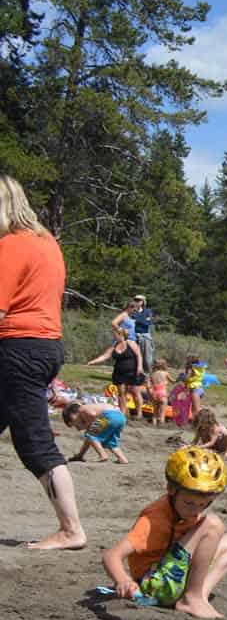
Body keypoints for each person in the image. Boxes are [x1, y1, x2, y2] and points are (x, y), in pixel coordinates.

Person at [0, 176, 86, 550]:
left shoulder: (12, 246)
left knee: (35, 443)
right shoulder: (47, 242)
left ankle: (71, 530)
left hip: (19, 348)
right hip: (46, 346)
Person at [100, 447, 227, 619]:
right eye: (189, 503)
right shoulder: (154, 519)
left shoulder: (188, 511)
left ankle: (199, 596)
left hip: (174, 577)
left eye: (203, 505)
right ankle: (192, 599)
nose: (195, 510)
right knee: (213, 524)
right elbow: (111, 555)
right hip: (154, 586)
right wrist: (123, 580)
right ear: (171, 489)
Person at [87, 325, 145, 419]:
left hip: (133, 372)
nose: (114, 336)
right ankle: (123, 413)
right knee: (121, 393)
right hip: (119, 373)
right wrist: (93, 362)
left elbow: (139, 355)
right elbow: (105, 356)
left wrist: (140, 367)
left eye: (115, 335)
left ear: (121, 335)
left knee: (135, 392)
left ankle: (139, 413)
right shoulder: (114, 347)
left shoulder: (131, 343)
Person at [62, 401, 130, 465]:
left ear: (72, 415)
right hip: (120, 417)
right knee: (110, 441)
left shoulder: (82, 409)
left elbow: (92, 414)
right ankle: (122, 458)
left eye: (75, 424)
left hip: (108, 416)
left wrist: (87, 425)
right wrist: (80, 454)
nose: (77, 428)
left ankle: (103, 455)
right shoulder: (85, 409)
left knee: (91, 434)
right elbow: (89, 440)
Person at [130, 295, 155, 373]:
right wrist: (143, 319)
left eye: (139, 300)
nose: (137, 301)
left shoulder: (148, 311)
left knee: (147, 358)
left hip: (145, 336)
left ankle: (147, 375)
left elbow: (148, 323)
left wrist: (136, 320)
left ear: (143, 302)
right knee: (133, 357)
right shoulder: (132, 311)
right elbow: (130, 321)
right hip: (133, 336)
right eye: (135, 300)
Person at [146, 358, 172, 426]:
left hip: (155, 393)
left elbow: (148, 386)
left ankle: (154, 424)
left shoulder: (151, 374)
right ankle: (161, 423)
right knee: (162, 413)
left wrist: (149, 395)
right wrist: (179, 379)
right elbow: (173, 381)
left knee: (155, 413)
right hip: (163, 393)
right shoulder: (165, 373)